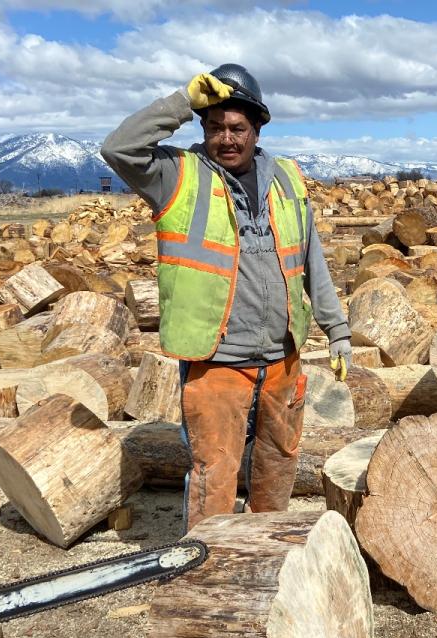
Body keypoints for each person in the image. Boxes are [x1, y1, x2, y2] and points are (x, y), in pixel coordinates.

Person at [101, 64, 352, 530]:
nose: (227, 138)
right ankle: (206, 562)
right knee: (215, 471)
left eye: (238, 127)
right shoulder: (177, 176)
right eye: (215, 127)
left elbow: (310, 258)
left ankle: (265, 546)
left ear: (257, 130)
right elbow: (117, 148)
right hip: (215, 356)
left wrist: (337, 330)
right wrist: (182, 100)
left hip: (283, 353)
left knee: (278, 461)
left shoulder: (287, 180)